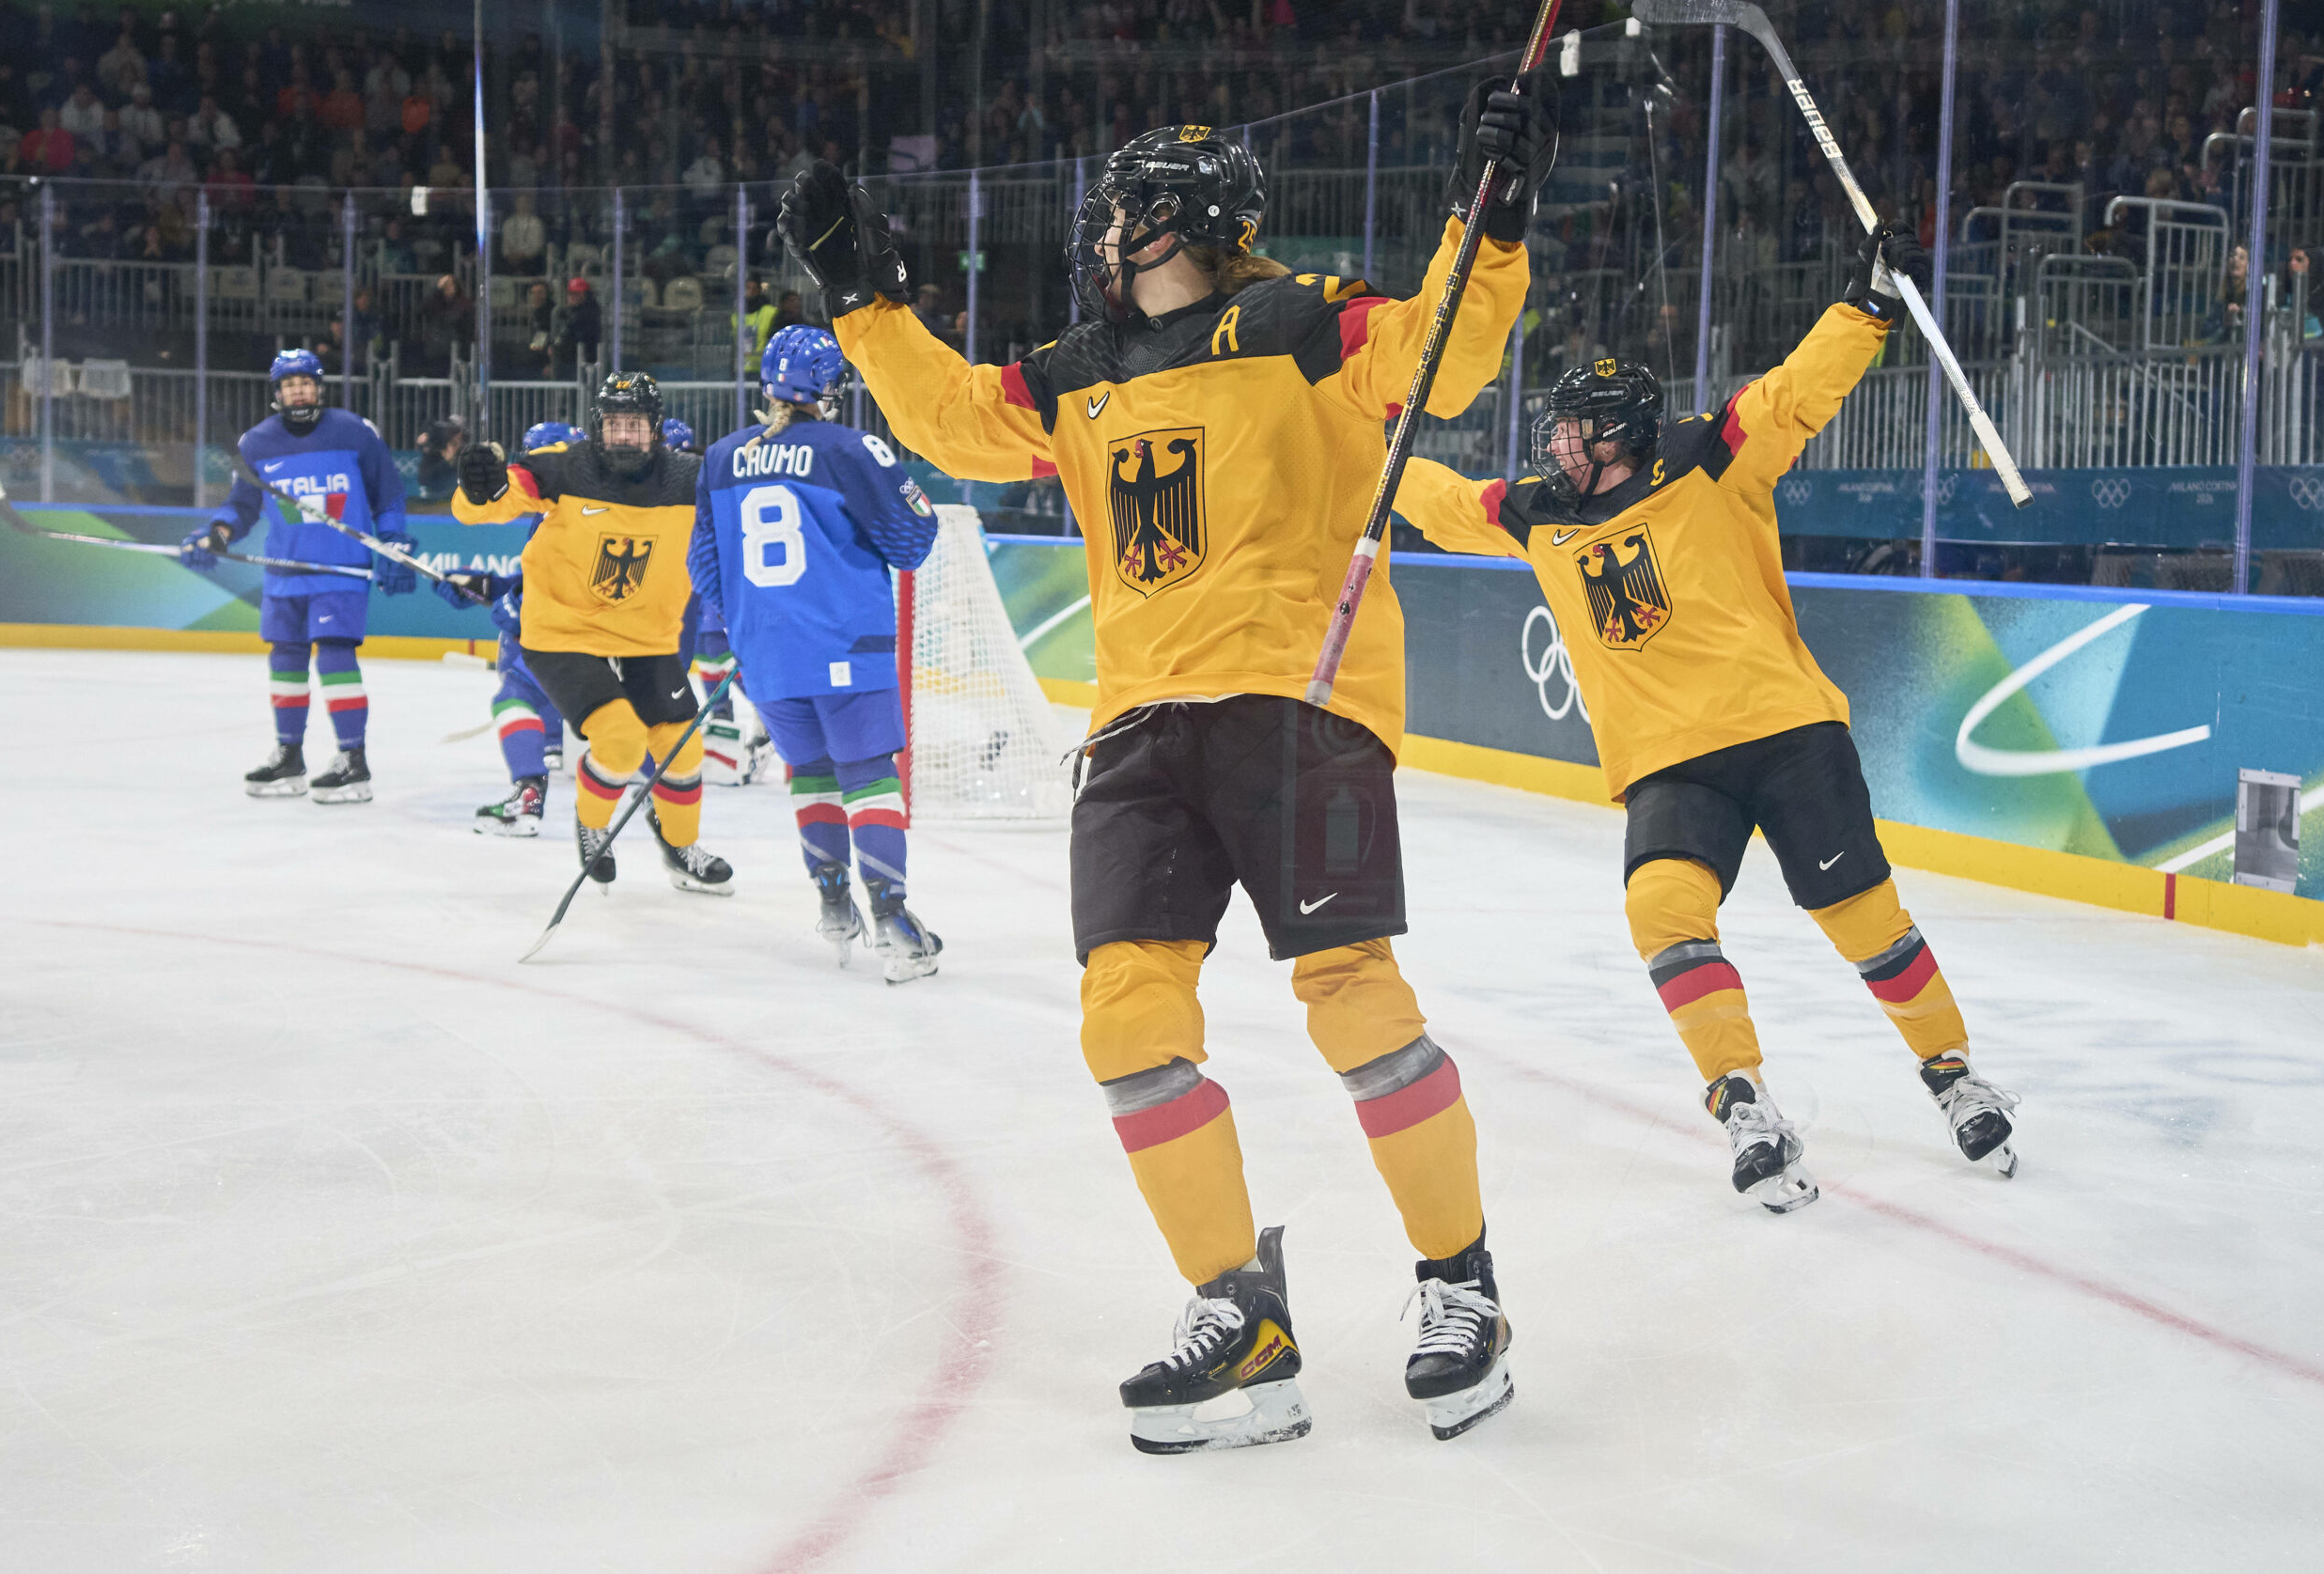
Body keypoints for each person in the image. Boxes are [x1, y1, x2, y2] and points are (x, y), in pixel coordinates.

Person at [785, 80, 1552, 1449]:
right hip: (1139, 728)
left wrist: (1489, 222)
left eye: (1131, 210)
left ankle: (1464, 1286)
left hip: (1298, 703)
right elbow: (955, 420)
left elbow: (1447, 350)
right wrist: (861, 296)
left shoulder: (1308, 324)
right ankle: (1238, 1313)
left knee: (1351, 993)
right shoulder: (1077, 369)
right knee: (1126, 1021)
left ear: (1193, 217)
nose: (1109, 233)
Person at [1396, 223, 2022, 1215]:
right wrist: (1366, 454)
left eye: (1573, 431)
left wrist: (1864, 306)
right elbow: (1440, 502)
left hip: (1782, 729)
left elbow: (1794, 391)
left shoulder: (1710, 458)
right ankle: (1743, 1103)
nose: (1554, 445)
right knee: (1662, 912)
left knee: (1864, 924)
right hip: (1670, 764)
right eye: (1554, 432)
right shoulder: (1534, 513)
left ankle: (1954, 1076)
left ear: (1621, 434)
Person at [689, 325, 942, 980]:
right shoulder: (851, 448)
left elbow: (706, 568)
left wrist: (756, 629)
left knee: (814, 774)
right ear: (831, 389)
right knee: (866, 773)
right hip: (847, 646)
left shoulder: (720, 457)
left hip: (767, 660)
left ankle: (835, 907)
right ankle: (892, 920)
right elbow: (913, 541)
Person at [448, 372, 733, 894]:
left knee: (682, 750)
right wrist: (477, 487)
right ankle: (593, 825)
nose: (624, 435)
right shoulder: (561, 466)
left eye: (636, 425)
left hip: (646, 639)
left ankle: (679, 847)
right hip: (562, 634)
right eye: (614, 424)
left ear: (655, 429)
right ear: (598, 427)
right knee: (621, 742)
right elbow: (485, 508)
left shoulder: (692, 479)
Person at [179, 349, 417, 803]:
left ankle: (353, 761)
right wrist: (217, 532)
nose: (299, 390)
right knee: (285, 660)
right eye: (290, 384)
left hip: (340, 569)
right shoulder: (256, 444)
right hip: (285, 573)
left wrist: (393, 541)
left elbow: (388, 496)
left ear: (319, 386)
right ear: (278, 393)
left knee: (333, 656)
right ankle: (289, 756)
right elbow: (242, 506)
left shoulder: (354, 432)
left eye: (306, 382)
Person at [432, 419, 579, 834]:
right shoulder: (570, 506)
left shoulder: (565, 508)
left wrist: (502, 602)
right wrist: (491, 586)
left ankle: (531, 790)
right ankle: (555, 745)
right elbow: (538, 582)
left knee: (516, 691)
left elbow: (552, 600)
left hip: (584, 635)